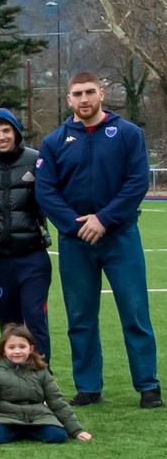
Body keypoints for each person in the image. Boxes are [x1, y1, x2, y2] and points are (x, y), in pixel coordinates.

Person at [35, 72, 160, 409]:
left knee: (135, 313)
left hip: (120, 237)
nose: (85, 99)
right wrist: (76, 227)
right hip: (76, 242)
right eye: (78, 94)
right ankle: (88, 387)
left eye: (90, 92)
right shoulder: (55, 141)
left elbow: (136, 184)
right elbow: (46, 190)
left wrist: (104, 218)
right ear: (69, 99)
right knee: (80, 317)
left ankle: (148, 386)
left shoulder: (128, 134)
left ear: (102, 94)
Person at [0, 108, 52, 361]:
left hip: (32, 255)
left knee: (35, 319)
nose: (2, 136)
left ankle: (42, 378)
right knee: (8, 325)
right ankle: (14, 382)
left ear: (16, 132)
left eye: (6, 130)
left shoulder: (36, 160)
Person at [0, 325, 91, 446]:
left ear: (31, 349)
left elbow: (57, 402)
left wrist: (76, 430)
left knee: (58, 435)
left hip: (39, 417)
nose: (17, 351)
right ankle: (16, 432)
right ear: (4, 351)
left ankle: (30, 431)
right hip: (6, 418)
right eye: (11, 347)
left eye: (22, 347)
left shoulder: (41, 372)